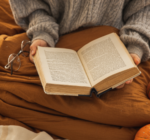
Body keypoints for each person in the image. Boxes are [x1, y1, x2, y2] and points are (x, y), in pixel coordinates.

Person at [9, 0, 150, 89]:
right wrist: (41, 31)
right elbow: (30, 4)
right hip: (56, 38)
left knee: (130, 117)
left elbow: (145, 9)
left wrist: (135, 45)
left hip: (118, 42)